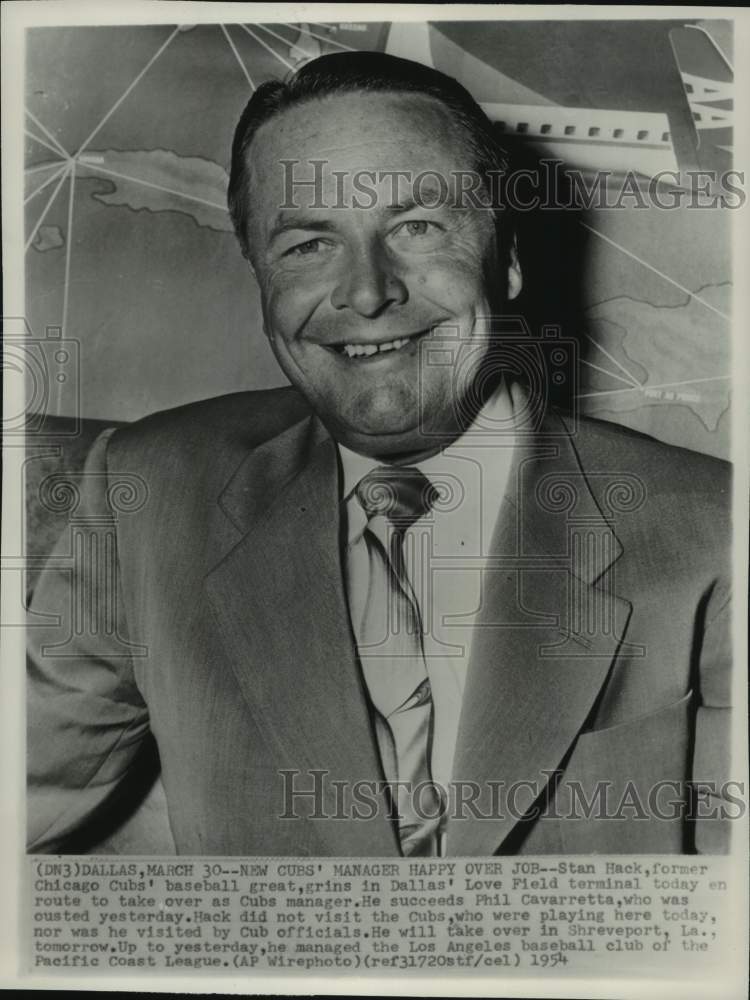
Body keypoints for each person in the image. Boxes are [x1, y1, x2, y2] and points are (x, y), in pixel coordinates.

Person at [27, 52, 732, 857]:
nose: (367, 293)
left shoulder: (714, 532)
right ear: (259, 275)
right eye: (306, 246)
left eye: (416, 227)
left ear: (505, 258)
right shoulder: (147, 492)